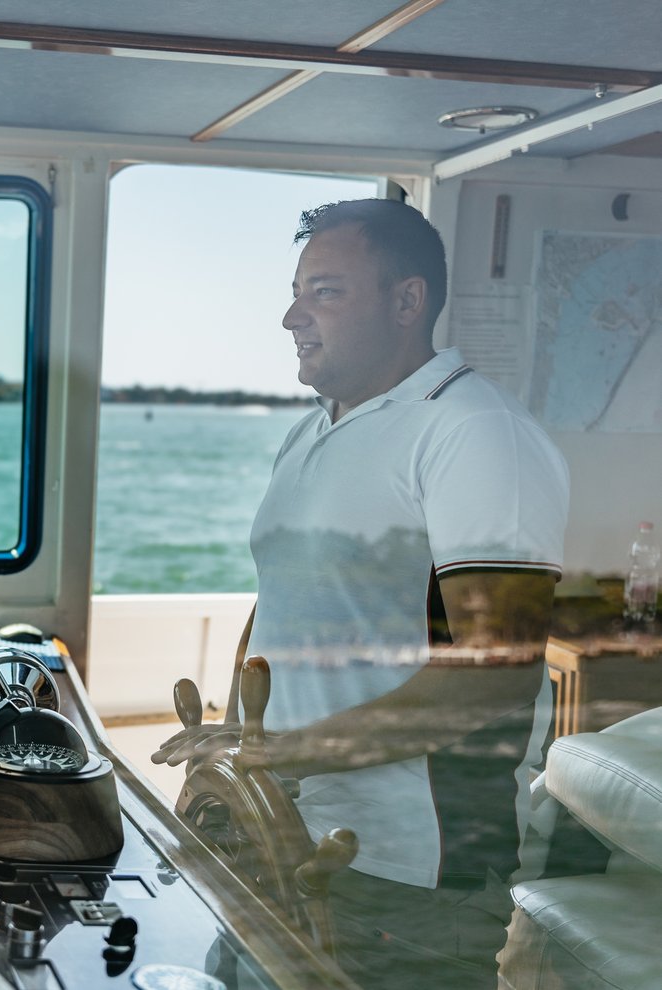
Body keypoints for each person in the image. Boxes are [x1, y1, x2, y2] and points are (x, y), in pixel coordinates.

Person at [153, 199, 569, 989]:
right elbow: (277, 599)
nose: (291, 316)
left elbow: (499, 669)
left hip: (402, 872)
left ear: (407, 301)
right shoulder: (313, 428)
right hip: (272, 829)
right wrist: (242, 751)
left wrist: (292, 751)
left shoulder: (475, 433)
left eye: (325, 292)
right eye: (297, 290)